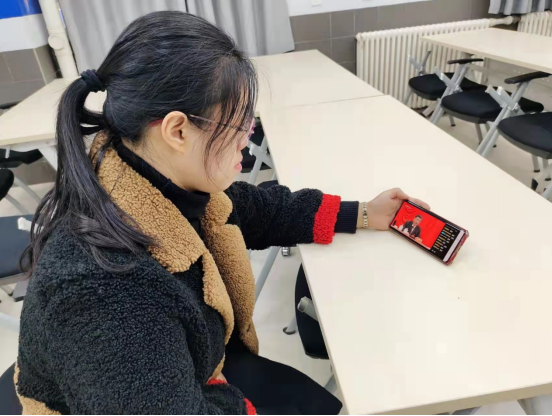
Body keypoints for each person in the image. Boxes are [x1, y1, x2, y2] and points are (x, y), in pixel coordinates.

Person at [14, 11, 428, 416]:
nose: (249, 138)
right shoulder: (103, 294)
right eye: (239, 124)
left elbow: (262, 210)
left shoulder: (154, 176)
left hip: (198, 371)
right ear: (177, 131)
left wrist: (365, 213)